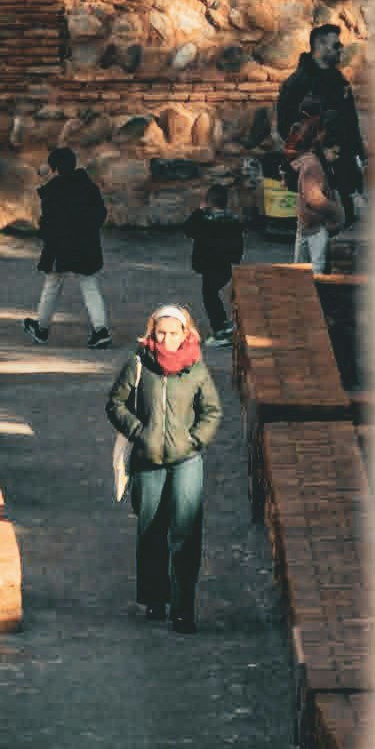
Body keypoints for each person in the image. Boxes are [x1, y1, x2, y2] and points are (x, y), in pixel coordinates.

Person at [106, 301, 223, 632]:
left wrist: (194, 441)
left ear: (186, 333)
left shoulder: (196, 368)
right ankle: (155, 599)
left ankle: (184, 607)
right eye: (161, 333)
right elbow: (115, 403)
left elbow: (212, 411)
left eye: (174, 333)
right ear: (152, 332)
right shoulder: (138, 364)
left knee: (185, 534)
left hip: (186, 461)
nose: (168, 339)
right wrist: (139, 432)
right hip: (148, 462)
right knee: (151, 530)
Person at [275, 23, 366, 221]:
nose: (341, 48)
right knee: (319, 230)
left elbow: (351, 121)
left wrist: (359, 153)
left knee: (345, 228)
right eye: (336, 45)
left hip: (345, 169)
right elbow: (285, 127)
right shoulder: (297, 83)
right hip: (316, 170)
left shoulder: (338, 80)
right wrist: (316, 152)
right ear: (321, 45)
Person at [29, 144, 111, 344]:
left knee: (52, 285)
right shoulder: (88, 186)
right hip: (86, 245)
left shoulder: (53, 191)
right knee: (89, 285)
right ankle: (101, 331)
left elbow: (48, 223)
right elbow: (101, 213)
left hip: (60, 248)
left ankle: (41, 328)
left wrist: (45, 235)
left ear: (54, 169)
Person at [181, 181, 247, 344]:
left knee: (209, 296)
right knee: (213, 296)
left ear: (208, 202)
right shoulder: (233, 220)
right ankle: (223, 325)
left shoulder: (205, 221)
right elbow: (239, 243)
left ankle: (220, 331)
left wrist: (199, 210)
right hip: (225, 267)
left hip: (210, 267)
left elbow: (187, 229)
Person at [290, 132, 337, 273]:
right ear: (325, 149)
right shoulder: (316, 167)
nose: (336, 156)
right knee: (317, 267)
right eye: (334, 152)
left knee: (300, 266)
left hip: (305, 222)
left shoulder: (310, 161)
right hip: (315, 223)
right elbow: (316, 199)